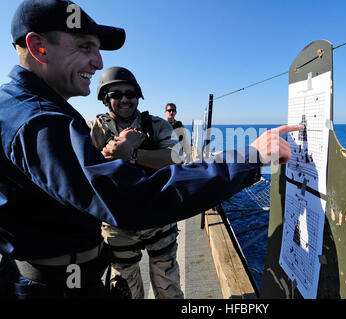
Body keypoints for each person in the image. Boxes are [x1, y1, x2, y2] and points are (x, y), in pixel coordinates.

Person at [0, 0, 299, 299]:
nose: (98, 61)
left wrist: (128, 154)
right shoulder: (39, 122)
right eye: (84, 47)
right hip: (57, 283)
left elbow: (170, 159)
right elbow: (129, 199)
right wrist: (248, 157)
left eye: (130, 94)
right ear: (39, 47)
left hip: (81, 268)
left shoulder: (22, 111)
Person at [87, 67, 183, 299]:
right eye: (116, 95)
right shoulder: (93, 130)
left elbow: (175, 159)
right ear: (105, 99)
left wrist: (129, 154)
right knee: (124, 291)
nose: (125, 100)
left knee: (168, 287)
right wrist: (111, 152)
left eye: (130, 94)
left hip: (158, 218)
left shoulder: (157, 126)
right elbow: (81, 168)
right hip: (118, 223)